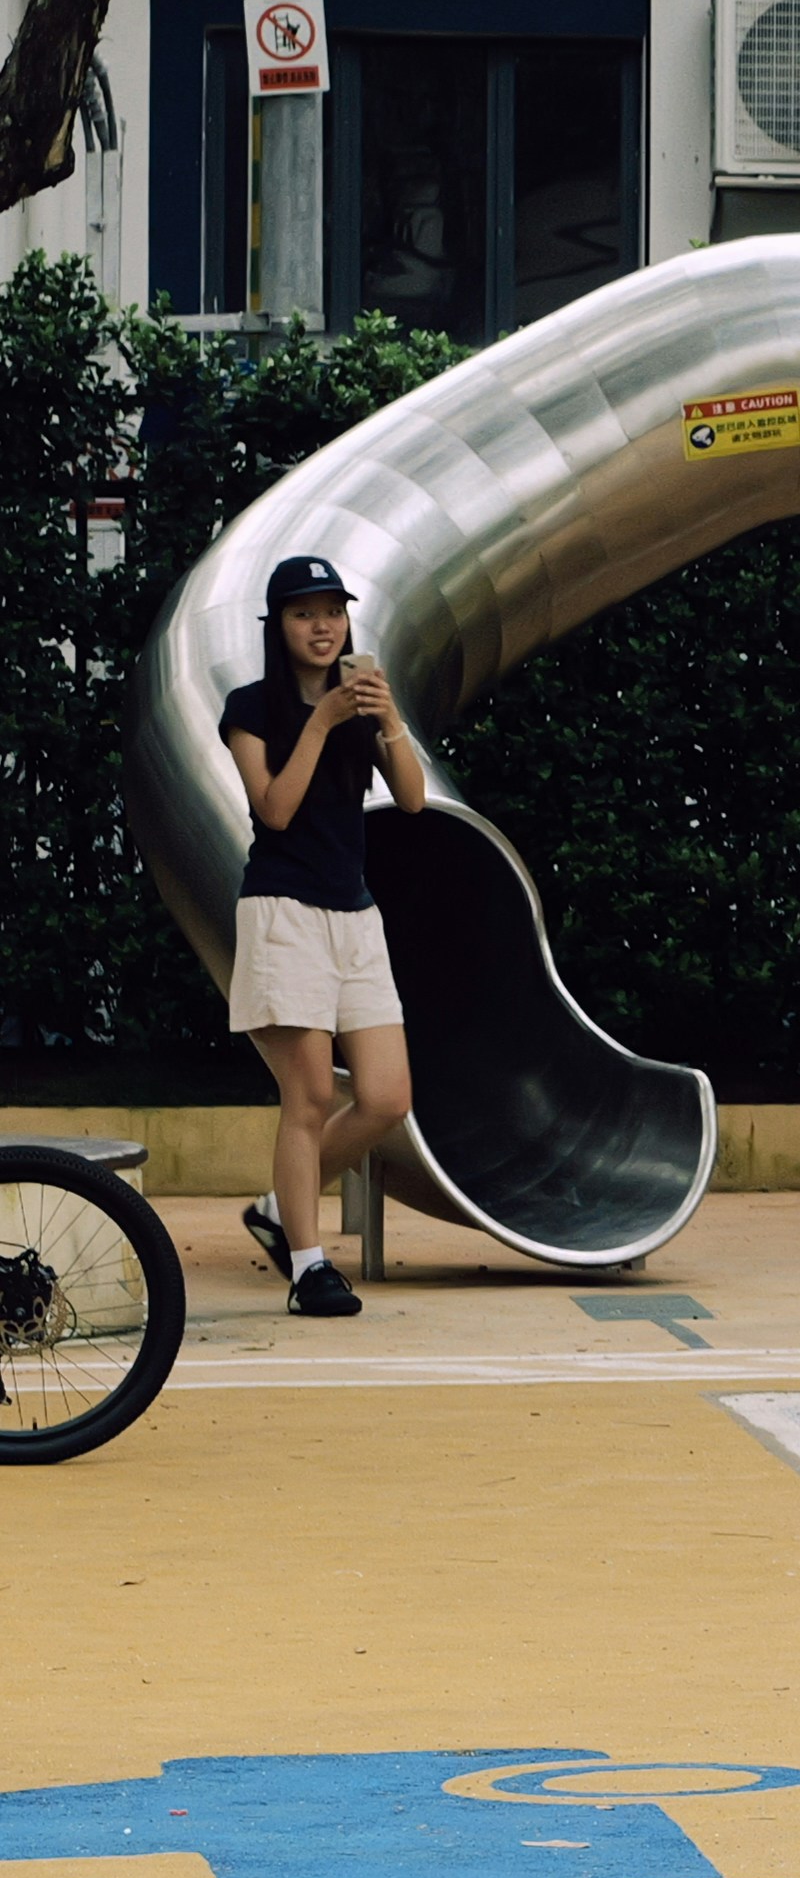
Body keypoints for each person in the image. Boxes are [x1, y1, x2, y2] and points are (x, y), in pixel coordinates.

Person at [221, 555, 429, 1318]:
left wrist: (389, 719)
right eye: (305, 613)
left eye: (333, 612)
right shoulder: (250, 709)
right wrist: (321, 721)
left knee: (386, 1097)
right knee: (307, 1095)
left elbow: (410, 800)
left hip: (355, 915)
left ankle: (280, 1209)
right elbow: (273, 809)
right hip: (282, 910)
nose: (322, 626)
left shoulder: (363, 709)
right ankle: (308, 1268)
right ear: (277, 626)